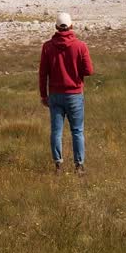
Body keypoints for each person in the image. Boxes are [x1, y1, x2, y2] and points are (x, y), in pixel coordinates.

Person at [39, 11, 94, 174]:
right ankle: (79, 166)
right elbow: (89, 70)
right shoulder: (81, 46)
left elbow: (43, 73)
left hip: (55, 95)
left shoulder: (47, 47)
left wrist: (43, 95)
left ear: (56, 27)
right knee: (77, 130)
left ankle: (58, 165)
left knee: (56, 131)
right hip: (75, 94)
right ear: (71, 26)